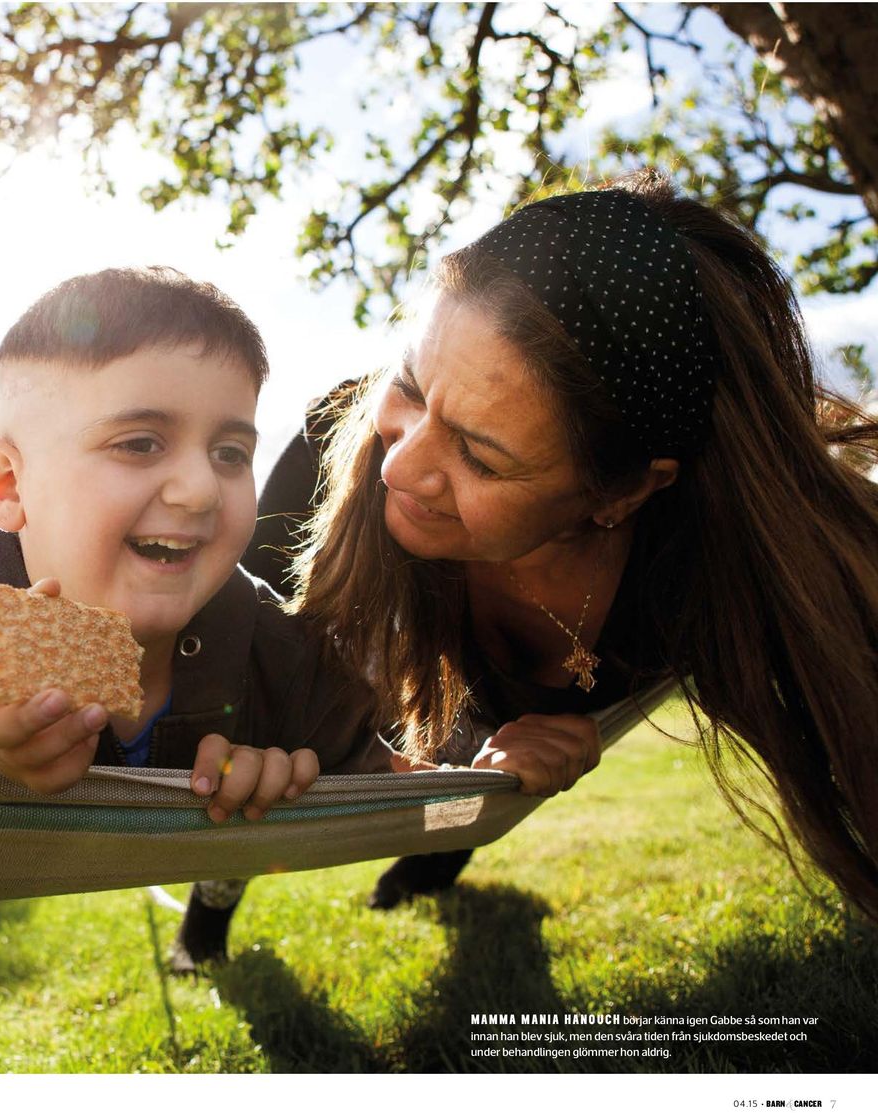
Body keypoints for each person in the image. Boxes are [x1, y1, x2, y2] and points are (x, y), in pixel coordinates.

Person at [254, 170, 878, 923]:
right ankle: (212, 911)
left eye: (481, 457)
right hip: (352, 685)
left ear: (619, 494)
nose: (399, 466)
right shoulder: (335, 454)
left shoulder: (696, 569)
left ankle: (430, 869)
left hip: (482, 737)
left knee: (448, 822)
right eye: (413, 385)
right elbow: (221, 667)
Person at [0, 266, 396, 968]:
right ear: (9, 485)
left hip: (212, 818)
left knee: (238, 803)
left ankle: (207, 918)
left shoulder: (263, 633)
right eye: (140, 442)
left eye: (231, 452)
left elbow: (378, 753)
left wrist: (294, 769)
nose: (201, 488)